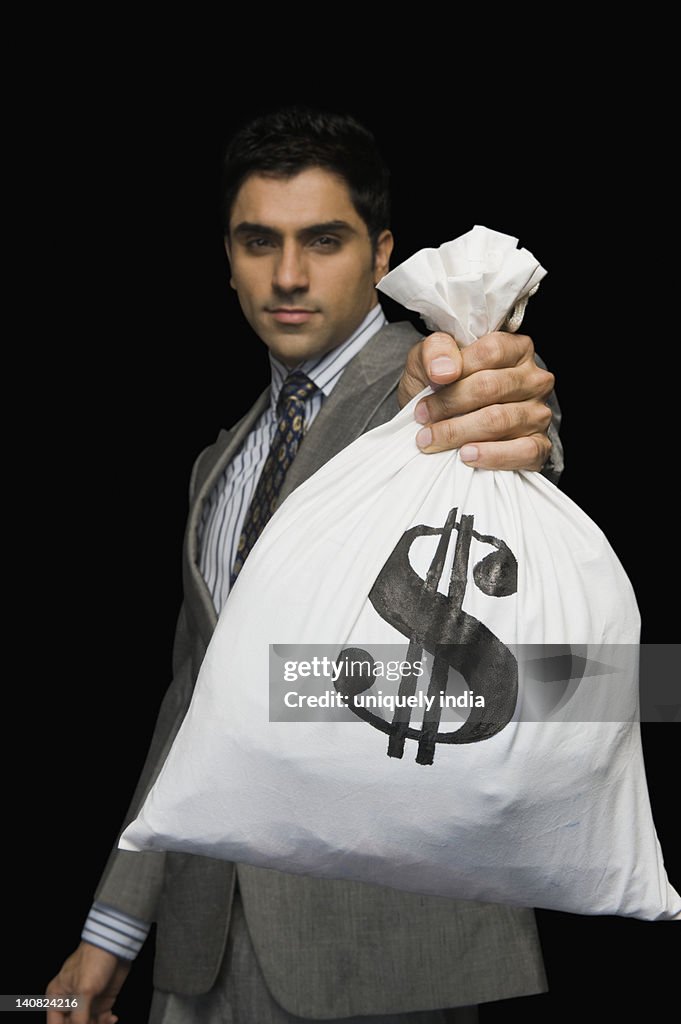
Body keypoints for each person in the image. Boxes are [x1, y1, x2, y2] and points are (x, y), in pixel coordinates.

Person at [46, 105, 562, 1024]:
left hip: (381, 947)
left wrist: (506, 412)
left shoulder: (424, 388)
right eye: (259, 242)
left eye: (323, 240)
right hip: (200, 945)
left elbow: (493, 422)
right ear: (229, 258)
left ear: (381, 253)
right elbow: (195, 700)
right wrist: (112, 930)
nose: (287, 276)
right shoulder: (220, 466)